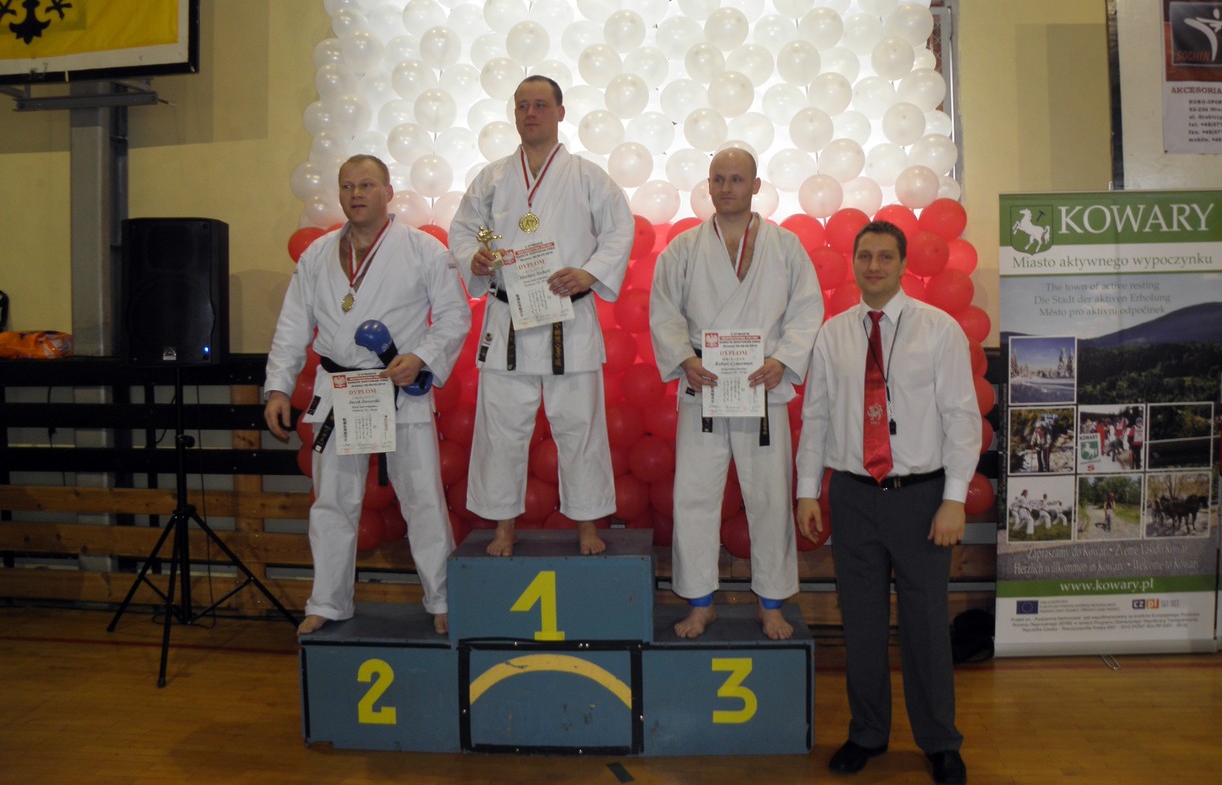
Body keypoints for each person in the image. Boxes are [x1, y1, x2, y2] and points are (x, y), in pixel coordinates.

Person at [796, 220, 980, 785]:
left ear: (903, 265)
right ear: (853, 264)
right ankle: (868, 732)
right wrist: (808, 490)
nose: (873, 266)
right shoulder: (832, 335)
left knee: (926, 625)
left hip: (921, 499)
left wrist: (954, 500)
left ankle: (939, 741)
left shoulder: (939, 329)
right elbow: (816, 417)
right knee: (862, 622)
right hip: (852, 495)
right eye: (865, 256)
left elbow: (962, 419)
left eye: (884, 257)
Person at [264, 155, 471, 637]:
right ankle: (328, 601)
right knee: (332, 501)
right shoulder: (317, 255)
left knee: (422, 498)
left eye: (366, 185)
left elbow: (455, 315)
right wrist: (277, 386)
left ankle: (442, 599)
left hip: (398, 386)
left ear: (388, 192)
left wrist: (421, 357)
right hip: (341, 389)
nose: (356, 194)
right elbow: (292, 326)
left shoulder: (423, 249)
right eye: (347, 186)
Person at [449, 75, 634, 557]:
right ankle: (503, 527)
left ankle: (588, 525)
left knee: (580, 427)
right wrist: (474, 257)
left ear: (560, 113)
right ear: (514, 114)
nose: (530, 114)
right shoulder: (492, 178)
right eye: (522, 106)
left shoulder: (589, 177)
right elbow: (465, 230)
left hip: (566, 317)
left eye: (540, 105)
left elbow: (619, 230)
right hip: (508, 317)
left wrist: (590, 272)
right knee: (502, 430)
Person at [649, 146, 823, 640]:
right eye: (718, 179)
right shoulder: (682, 249)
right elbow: (664, 311)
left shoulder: (786, 246)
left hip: (762, 386)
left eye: (737, 179)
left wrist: (782, 360)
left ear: (756, 186)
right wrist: (685, 359)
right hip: (702, 384)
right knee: (695, 496)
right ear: (708, 185)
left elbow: (807, 310)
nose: (726, 188)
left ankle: (771, 604)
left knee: (769, 497)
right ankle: (700, 602)